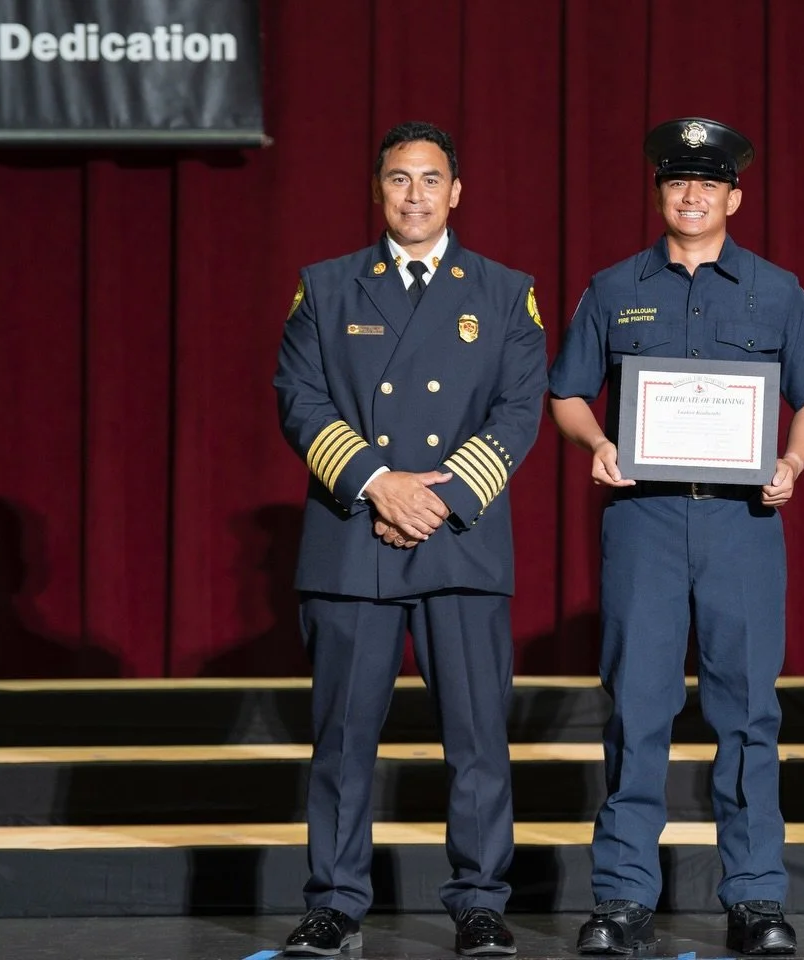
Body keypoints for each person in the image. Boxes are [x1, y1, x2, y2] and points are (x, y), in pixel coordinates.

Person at [547, 117, 804, 956]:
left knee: (748, 712)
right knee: (638, 708)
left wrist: (792, 462)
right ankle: (624, 897)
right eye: (678, 182)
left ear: (734, 197)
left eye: (709, 184)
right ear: (660, 193)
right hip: (643, 522)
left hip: (741, 523)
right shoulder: (610, 287)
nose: (693, 195)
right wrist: (598, 443)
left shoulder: (777, 291)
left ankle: (753, 898)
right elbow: (567, 393)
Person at [272, 120, 547, 957]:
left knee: (474, 737)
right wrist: (380, 484)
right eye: (399, 179)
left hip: (459, 540)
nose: (415, 195)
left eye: (431, 180)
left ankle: (478, 900)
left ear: (456, 192)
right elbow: (300, 400)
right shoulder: (324, 288)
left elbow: (520, 408)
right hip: (354, 535)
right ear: (378, 189)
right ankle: (334, 900)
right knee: (344, 741)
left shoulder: (505, 291)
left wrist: (445, 495)